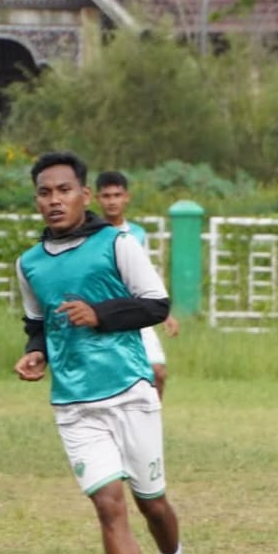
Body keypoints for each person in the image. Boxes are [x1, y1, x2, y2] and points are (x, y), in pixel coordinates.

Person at [13, 151, 190, 554]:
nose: (54, 200)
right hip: (73, 403)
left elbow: (157, 305)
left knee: (151, 503)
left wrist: (100, 314)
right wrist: (36, 353)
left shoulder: (117, 244)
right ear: (37, 200)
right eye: (45, 192)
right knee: (109, 505)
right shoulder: (28, 264)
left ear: (84, 195)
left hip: (130, 391)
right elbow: (37, 323)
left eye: (63, 190)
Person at [95, 170, 180, 400]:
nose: (112, 201)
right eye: (106, 196)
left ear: (126, 197)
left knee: (158, 373)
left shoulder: (138, 234)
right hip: (104, 314)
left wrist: (165, 311)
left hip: (137, 310)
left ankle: (153, 426)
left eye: (116, 195)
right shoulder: (92, 233)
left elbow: (148, 273)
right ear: (97, 199)